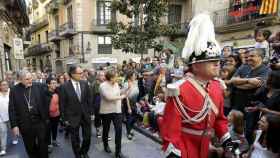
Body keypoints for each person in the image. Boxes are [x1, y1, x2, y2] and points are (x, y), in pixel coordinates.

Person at [158, 13, 235, 158]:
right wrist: (174, 152)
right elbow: (171, 128)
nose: (217, 64)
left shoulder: (217, 86)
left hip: (206, 146)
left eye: (218, 61)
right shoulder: (180, 89)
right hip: (185, 148)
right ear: (196, 66)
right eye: (212, 61)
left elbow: (219, 119)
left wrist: (227, 142)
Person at [8, 70, 49, 158]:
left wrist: (46, 117)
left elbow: (46, 101)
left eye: (31, 78)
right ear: (20, 80)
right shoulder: (14, 90)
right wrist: (14, 125)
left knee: (43, 144)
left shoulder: (39, 86)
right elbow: (11, 109)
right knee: (30, 146)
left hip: (40, 121)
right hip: (25, 124)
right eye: (27, 79)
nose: (30, 81)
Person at [59, 65, 92, 158]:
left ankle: (84, 151)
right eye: (80, 73)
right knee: (75, 139)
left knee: (87, 137)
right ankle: (77, 155)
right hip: (72, 117)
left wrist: (91, 112)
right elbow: (62, 104)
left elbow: (89, 99)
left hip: (85, 115)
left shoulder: (85, 83)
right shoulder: (64, 87)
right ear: (72, 74)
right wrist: (64, 118)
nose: (82, 75)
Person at [99, 69, 129, 158]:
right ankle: (106, 145)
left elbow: (119, 92)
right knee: (106, 129)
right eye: (116, 76)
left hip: (117, 110)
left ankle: (118, 151)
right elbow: (109, 98)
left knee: (119, 130)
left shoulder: (116, 84)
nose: (117, 78)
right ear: (111, 78)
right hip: (106, 111)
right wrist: (122, 97)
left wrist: (127, 88)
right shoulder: (102, 86)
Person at [46, 77, 60, 152]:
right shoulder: (45, 93)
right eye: (53, 83)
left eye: (55, 83)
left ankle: (54, 140)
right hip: (48, 116)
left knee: (55, 128)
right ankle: (49, 144)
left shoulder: (58, 91)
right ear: (48, 84)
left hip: (57, 114)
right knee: (48, 130)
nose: (55, 85)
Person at [0, 80, 10, 156]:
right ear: (0, 86)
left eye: (6, 84)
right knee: (3, 132)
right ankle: (3, 148)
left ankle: (15, 138)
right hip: (1, 118)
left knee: (13, 130)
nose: (5, 86)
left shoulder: (11, 93)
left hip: (11, 116)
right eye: (3, 85)